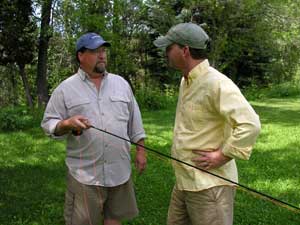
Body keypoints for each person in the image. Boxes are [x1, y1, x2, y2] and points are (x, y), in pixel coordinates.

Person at [154, 23, 261, 225]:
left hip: (210, 186)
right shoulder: (186, 81)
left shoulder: (216, 82)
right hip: (184, 182)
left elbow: (250, 124)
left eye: (170, 47)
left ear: (185, 50)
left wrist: (223, 155)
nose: (166, 52)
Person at [41, 32, 147, 225]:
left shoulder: (121, 84)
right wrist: (66, 124)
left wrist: (140, 150)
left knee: (114, 220)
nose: (102, 55)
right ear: (80, 56)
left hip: (119, 171)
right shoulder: (65, 89)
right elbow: (48, 123)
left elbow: (135, 121)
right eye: (95, 51)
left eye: (103, 50)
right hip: (85, 175)